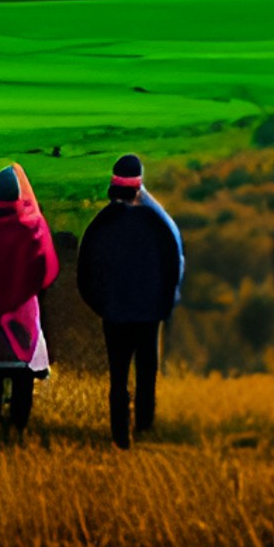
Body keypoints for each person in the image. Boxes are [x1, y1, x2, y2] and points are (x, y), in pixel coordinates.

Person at [77, 153, 184, 449]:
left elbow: (85, 271)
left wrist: (100, 304)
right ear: (139, 187)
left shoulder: (100, 225)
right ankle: (145, 426)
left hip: (114, 313)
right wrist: (164, 305)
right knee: (147, 369)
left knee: (118, 374)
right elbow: (173, 266)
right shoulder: (158, 224)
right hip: (149, 313)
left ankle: (119, 434)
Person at [0, 162, 59, 430]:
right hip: (20, 316)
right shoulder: (31, 228)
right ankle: (19, 425)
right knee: (23, 375)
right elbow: (47, 271)